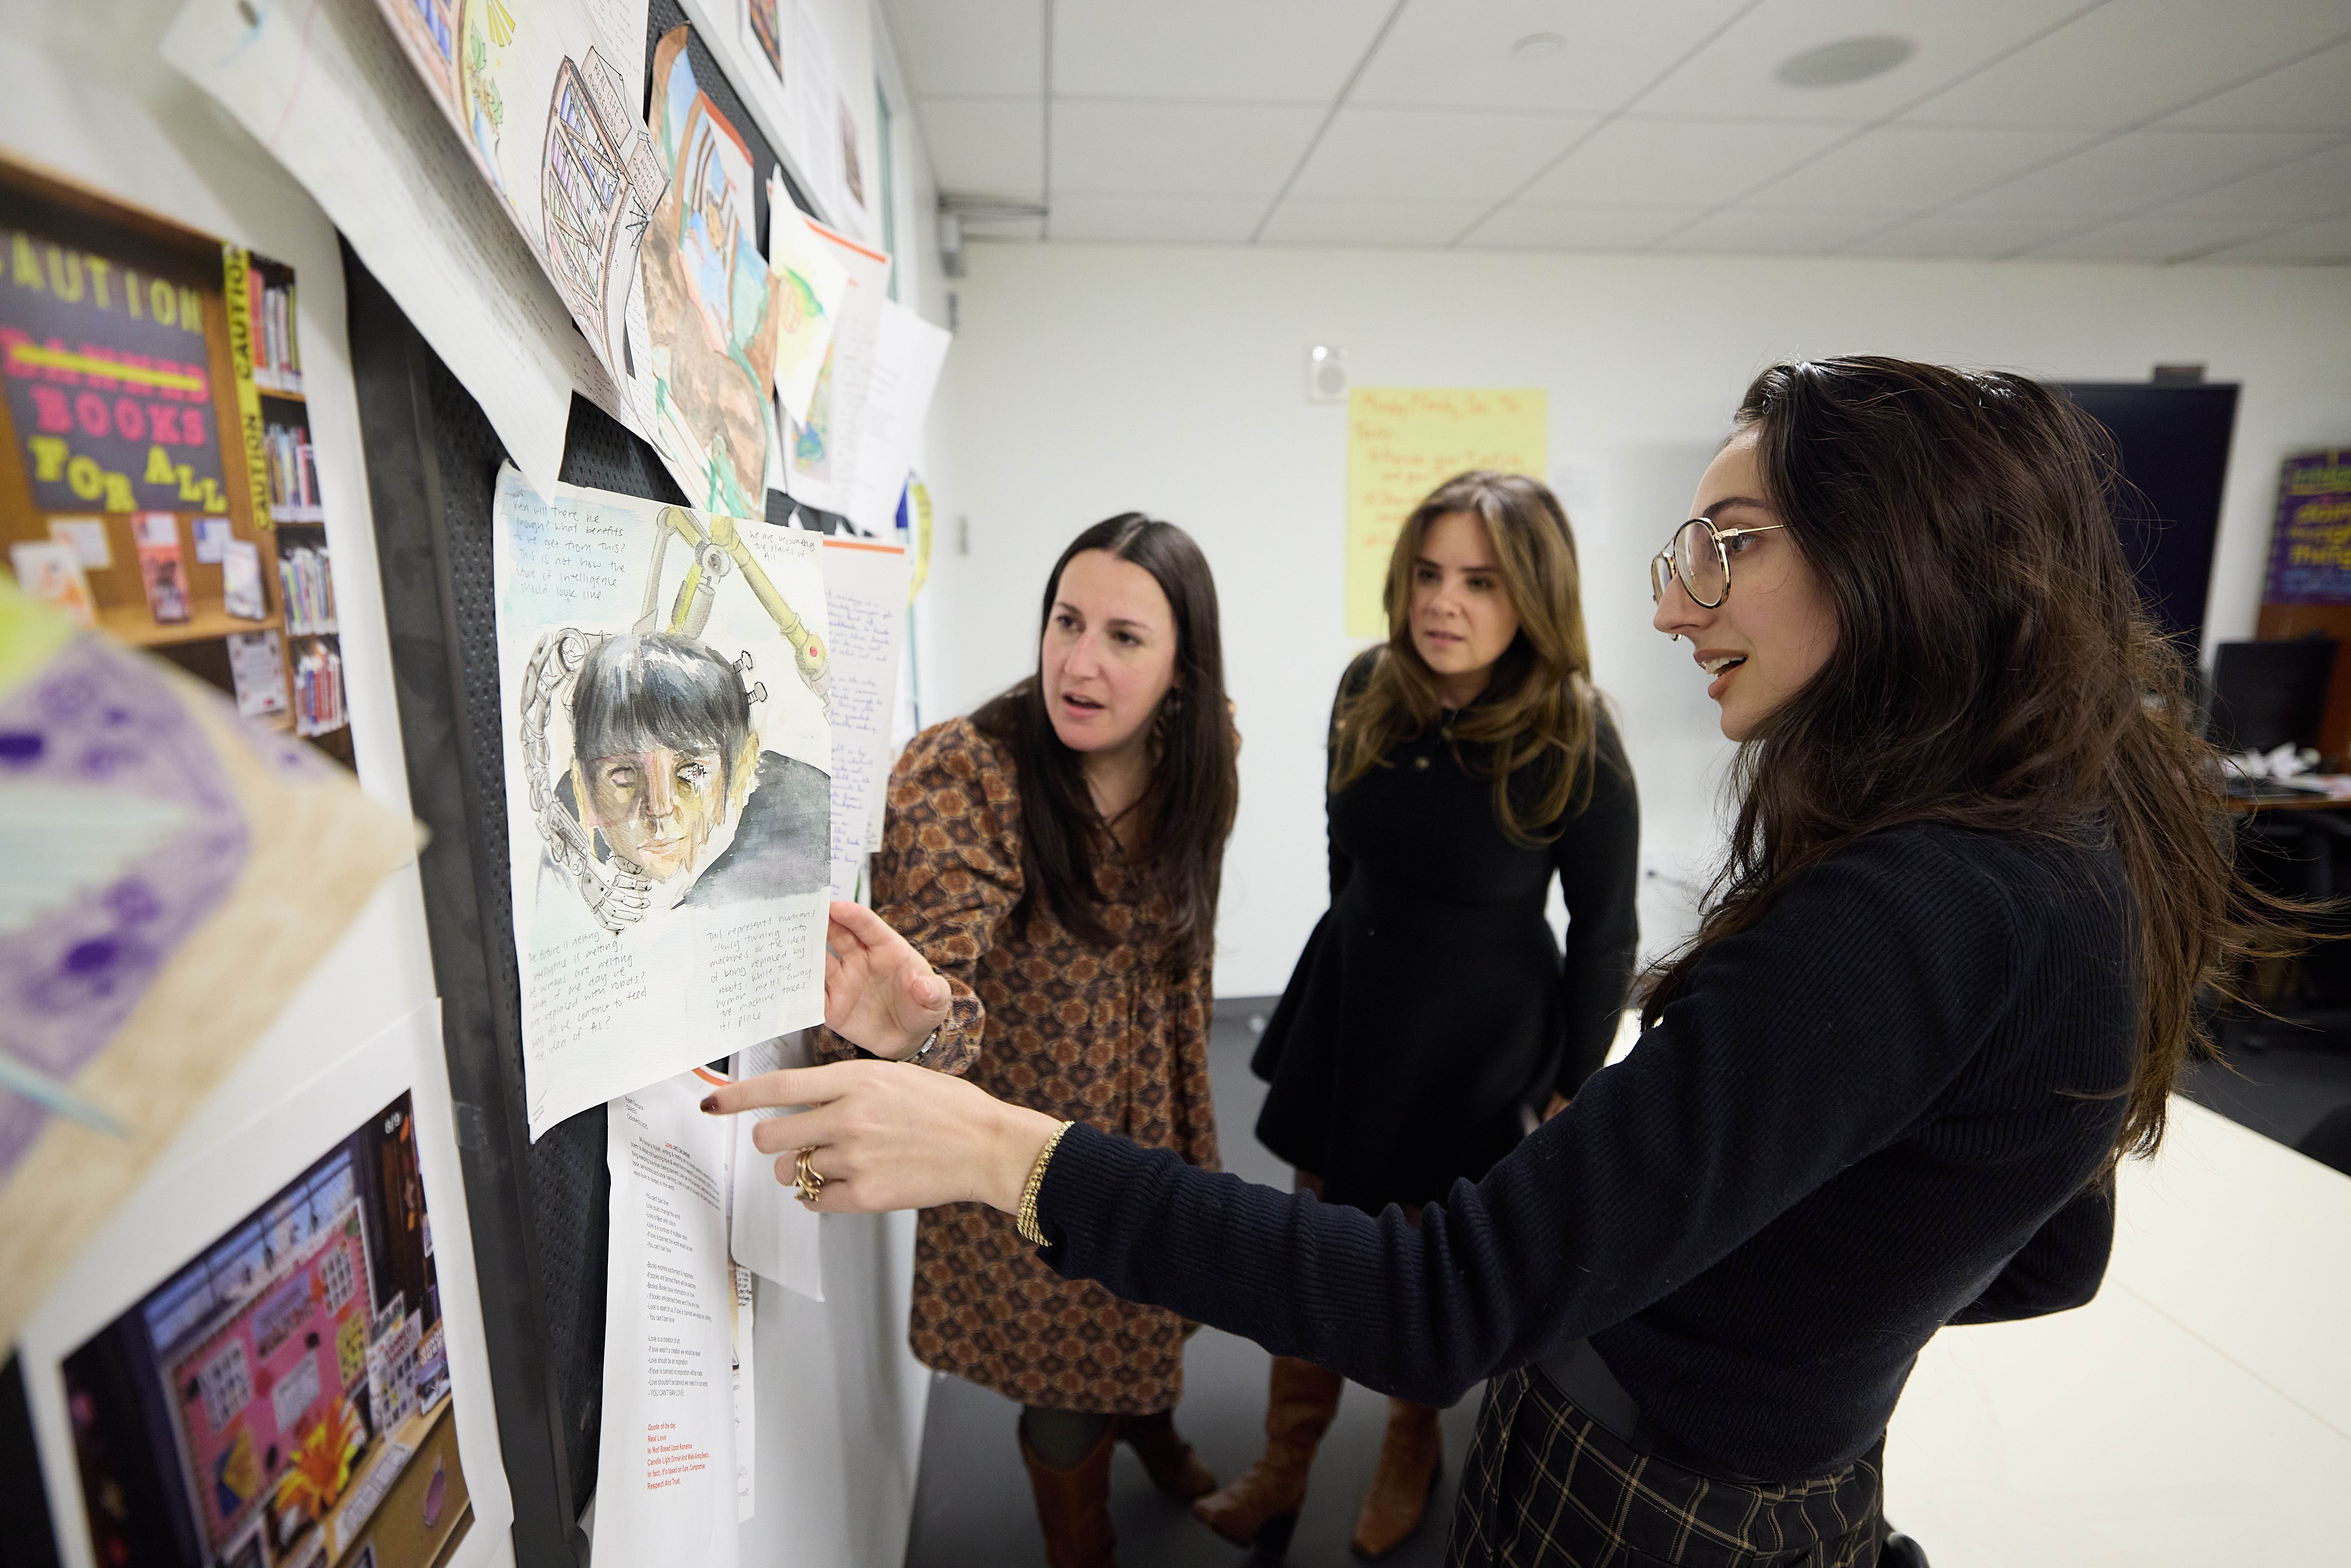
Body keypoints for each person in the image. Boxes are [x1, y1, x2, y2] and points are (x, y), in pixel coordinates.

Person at [715, 358, 2292, 1567]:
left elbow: (1442, 1292)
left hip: (1621, 1436)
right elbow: (2046, 1248)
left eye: (1727, 547)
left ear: (1903, 564)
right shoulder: (2057, 842)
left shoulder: (1903, 904)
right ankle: (1276, 1454)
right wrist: (1689, 1238)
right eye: (1065, 622)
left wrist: (1000, 1145)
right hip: (1411, 1101)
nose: (1680, 605)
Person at [1206, 473, 1637, 1559]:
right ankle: (1286, 1452)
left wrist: (1566, 1084)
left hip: (1478, 1034)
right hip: (1354, 1000)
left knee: (1416, 1251)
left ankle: (1407, 1442)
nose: (1442, 603)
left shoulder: (1575, 736)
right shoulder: (1369, 683)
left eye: (1480, 582)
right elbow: (1338, 845)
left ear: (1531, 595)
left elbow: (1604, 932)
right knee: (1309, 1226)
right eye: (1429, 575)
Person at [805, 514, 1239, 1567]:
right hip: (1031, 1134)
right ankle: (1078, 1543)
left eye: (1124, 636)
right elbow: (933, 980)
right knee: (1067, 1383)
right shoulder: (966, 774)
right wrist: (914, 1022)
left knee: (1157, 1304)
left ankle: (1153, 1426)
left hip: (1163, 1092)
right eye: (1065, 621)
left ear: (1181, 671)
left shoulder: (1202, 753)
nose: (1077, 661)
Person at [537, 630, 827, 933]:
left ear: (743, 768)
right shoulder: (564, 848)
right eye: (624, 776)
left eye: (692, 772)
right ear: (584, 787)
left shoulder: (806, 836)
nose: (658, 809)